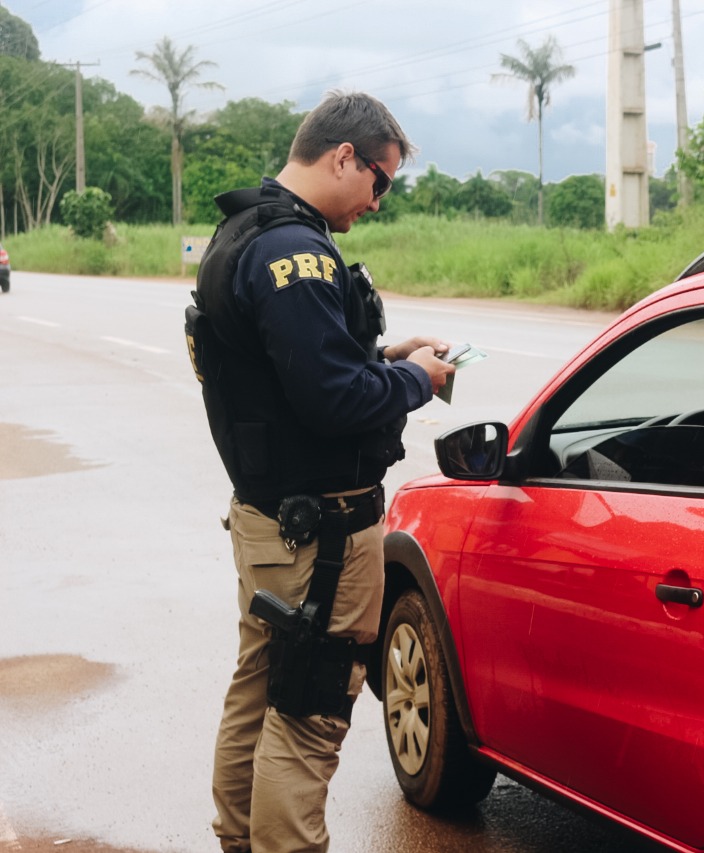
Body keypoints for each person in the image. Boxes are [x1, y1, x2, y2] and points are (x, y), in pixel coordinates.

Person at [185, 90, 453, 853]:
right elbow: (334, 399)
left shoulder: (245, 230)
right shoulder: (295, 253)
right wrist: (419, 381)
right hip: (319, 535)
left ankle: (241, 839)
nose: (377, 200)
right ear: (344, 156)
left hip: (269, 519)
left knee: (261, 688)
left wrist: (385, 359)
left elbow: (296, 374)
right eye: (381, 179)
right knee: (308, 711)